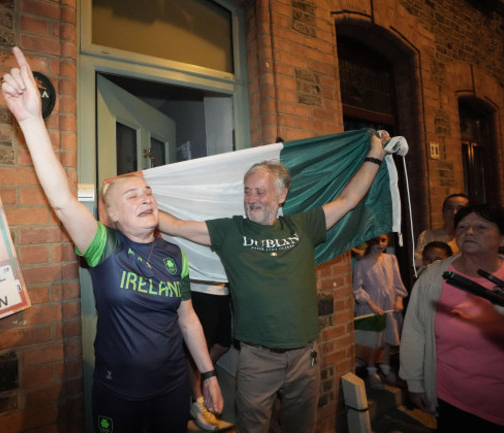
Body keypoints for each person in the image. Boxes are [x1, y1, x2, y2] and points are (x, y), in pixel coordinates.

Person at [1, 46, 223, 433]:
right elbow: (62, 201)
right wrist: (32, 122)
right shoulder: (105, 247)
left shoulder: (174, 254)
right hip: (118, 393)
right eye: (132, 195)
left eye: (148, 193)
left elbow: (187, 319)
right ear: (113, 215)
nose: (146, 198)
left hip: (173, 389)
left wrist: (208, 374)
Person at [158, 133, 386, 433]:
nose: (251, 199)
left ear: (281, 196)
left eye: (260, 192)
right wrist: (133, 196)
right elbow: (175, 225)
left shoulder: (303, 225)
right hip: (257, 359)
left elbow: (349, 199)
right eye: (248, 191)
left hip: (306, 356)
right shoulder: (231, 231)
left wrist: (376, 154)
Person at [400, 204, 504, 432]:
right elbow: (414, 332)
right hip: (452, 399)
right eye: (463, 226)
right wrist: (414, 382)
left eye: (480, 227)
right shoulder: (433, 278)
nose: (469, 232)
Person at [352, 234, 407, 389]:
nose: (380, 244)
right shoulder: (362, 264)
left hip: (389, 305)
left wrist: (399, 299)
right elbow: (357, 288)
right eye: (376, 241)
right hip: (372, 307)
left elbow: (397, 283)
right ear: (369, 242)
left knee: (388, 337)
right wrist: (372, 305)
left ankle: (386, 367)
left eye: (383, 240)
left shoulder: (391, 259)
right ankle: (371, 370)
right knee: (373, 340)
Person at [187, 281, 232, 431]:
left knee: (223, 343)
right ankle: (197, 401)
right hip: (199, 288)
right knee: (198, 349)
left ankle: (194, 380)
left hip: (223, 289)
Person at [413, 193, 469, 268]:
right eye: (449, 208)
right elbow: (418, 263)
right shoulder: (428, 235)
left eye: (460, 208)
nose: (454, 212)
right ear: (443, 211)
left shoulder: (471, 237)